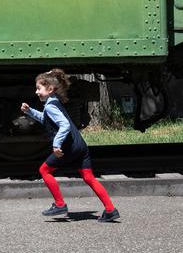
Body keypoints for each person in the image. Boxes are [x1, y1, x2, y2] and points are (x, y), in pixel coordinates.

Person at [20, 69, 119, 222]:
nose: (36, 91)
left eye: (39, 88)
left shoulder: (51, 106)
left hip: (69, 147)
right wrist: (30, 111)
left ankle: (60, 204)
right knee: (89, 177)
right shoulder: (53, 103)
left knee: (44, 170)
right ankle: (110, 210)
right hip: (81, 146)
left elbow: (64, 125)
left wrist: (56, 144)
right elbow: (47, 119)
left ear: (50, 89)